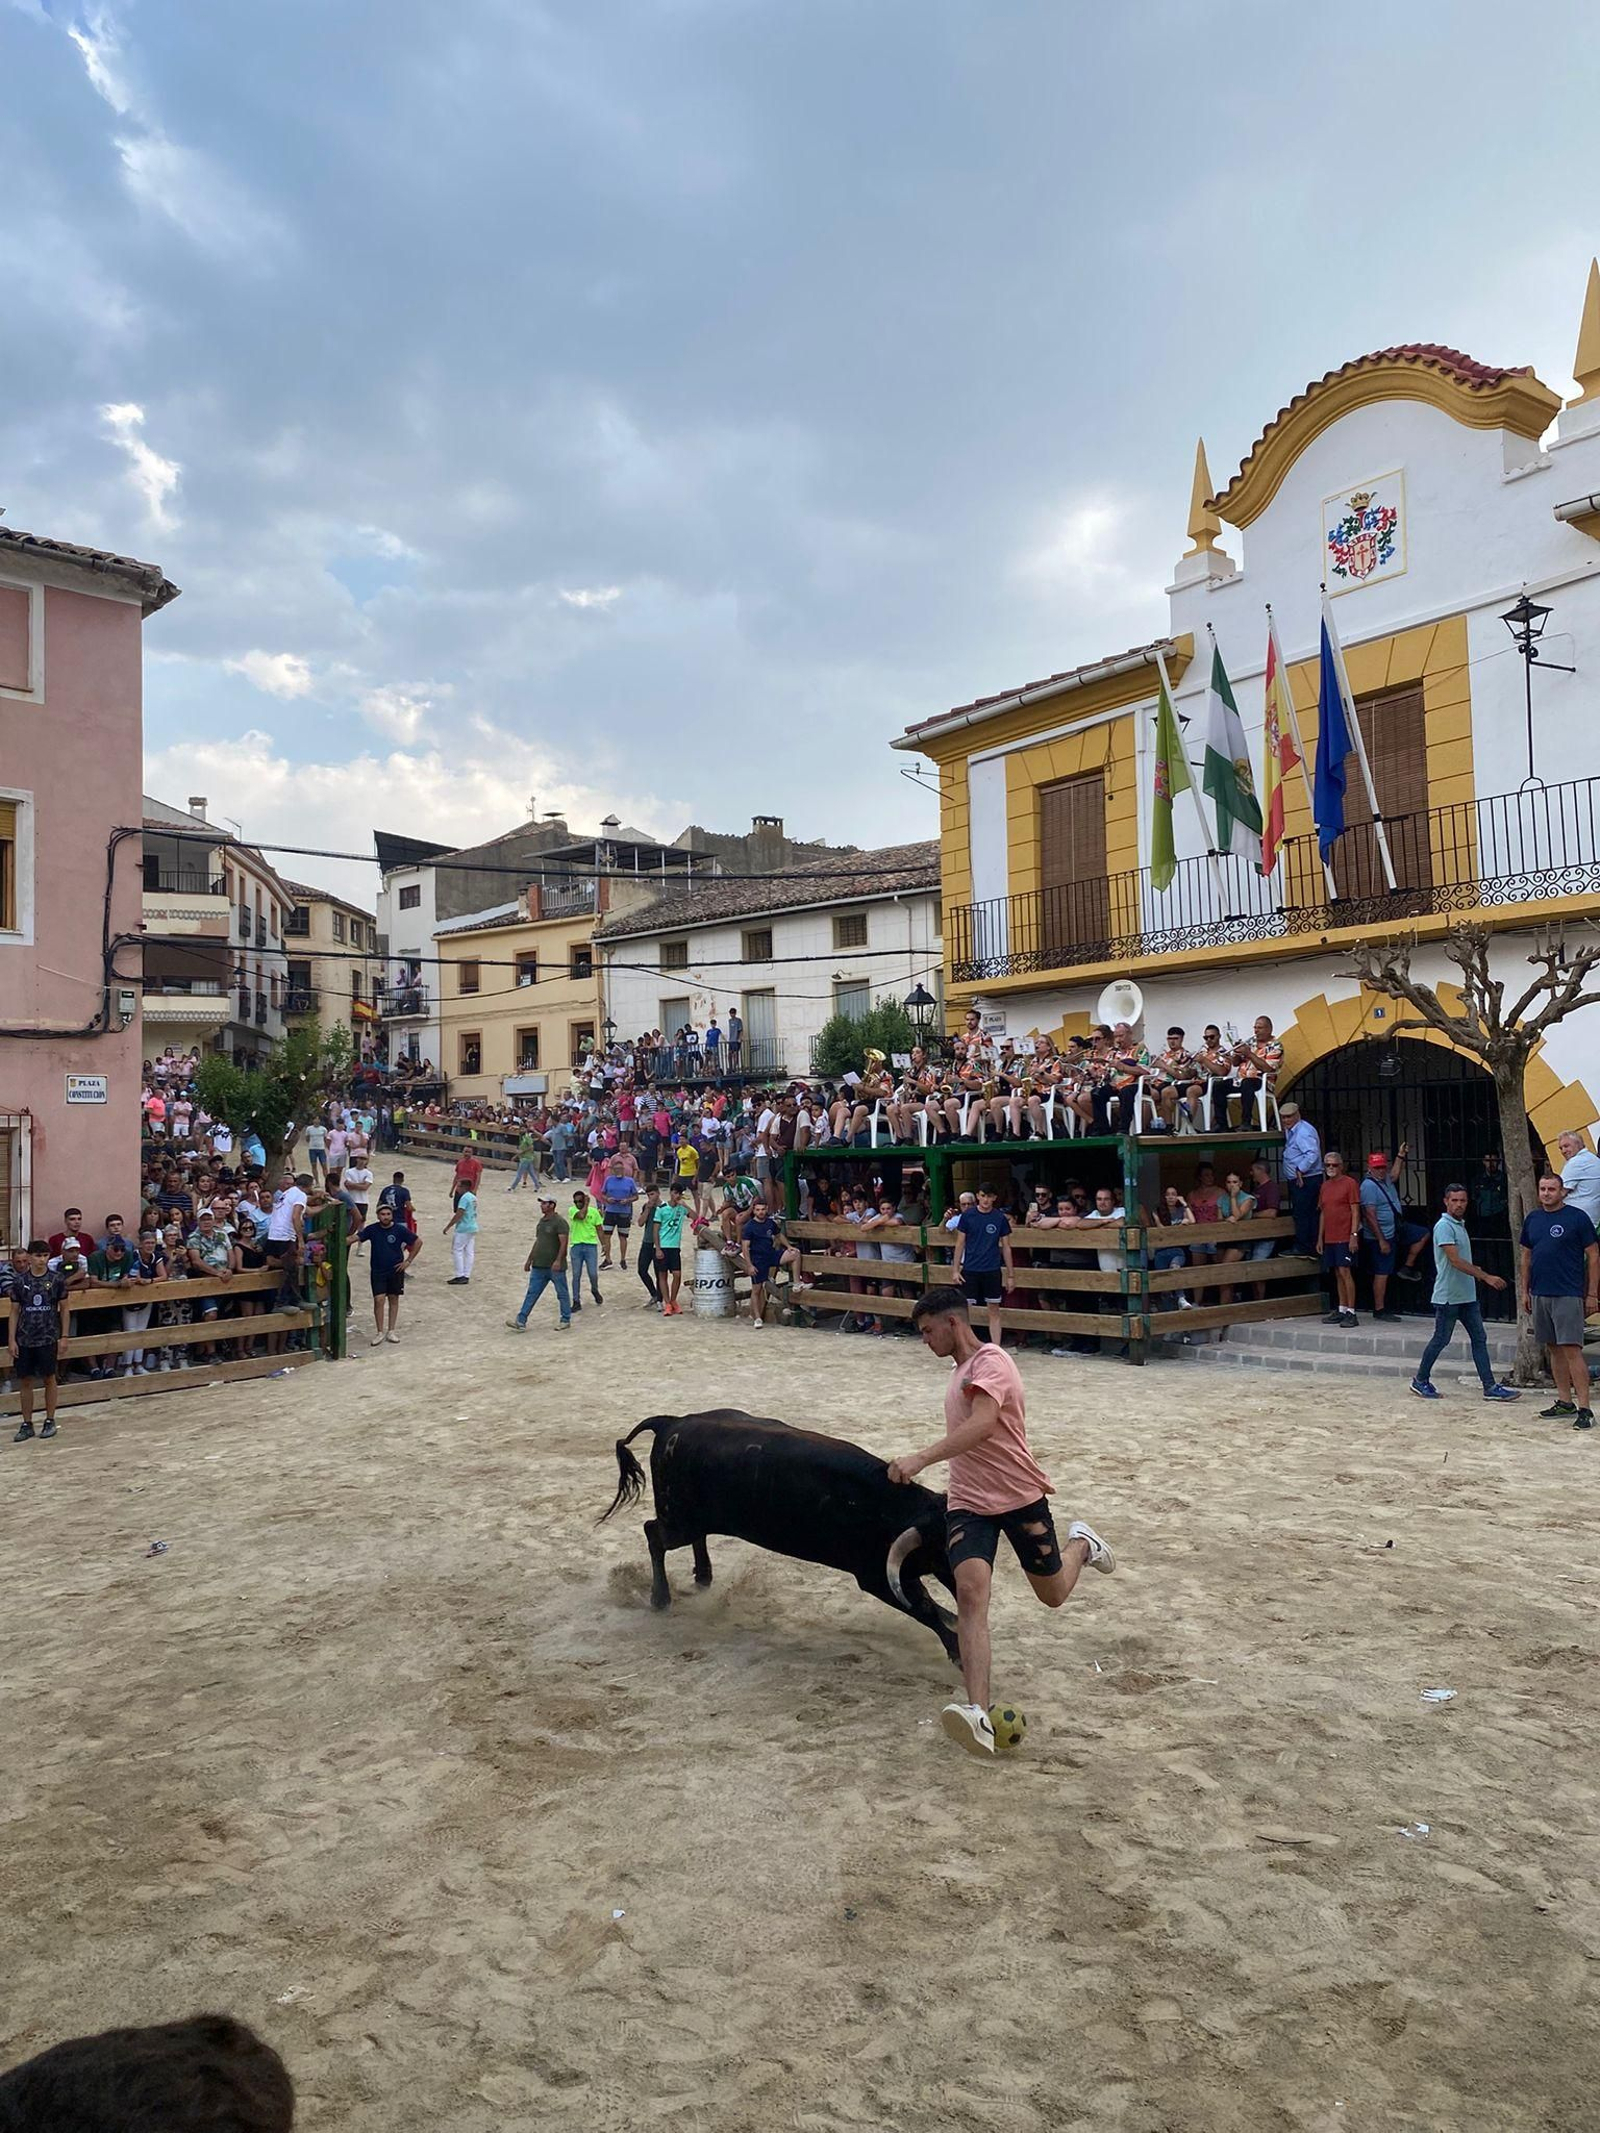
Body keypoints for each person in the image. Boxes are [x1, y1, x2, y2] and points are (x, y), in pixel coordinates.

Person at [887, 1286, 1115, 1757]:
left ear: (953, 1323)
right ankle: (978, 1711)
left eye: (928, 1331)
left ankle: (1083, 1546)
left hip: (1019, 1499)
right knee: (971, 1593)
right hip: (969, 1503)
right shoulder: (958, 1373)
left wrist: (922, 1458)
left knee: (1052, 1594)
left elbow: (985, 1423)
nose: (925, 1341)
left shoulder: (992, 1362)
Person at [1409, 1185, 1521, 1403]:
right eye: (1455, 1200)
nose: (1459, 1204)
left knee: (1479, 1338)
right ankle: (1421, 1379)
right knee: (1441, 1339)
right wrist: (1485, 1276)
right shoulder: (1444, 1226)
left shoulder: (1459, 1225)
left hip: (1467, 1295)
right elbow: (1455, 1260)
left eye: (1463, 1200)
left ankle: (1489, 1386)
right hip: (1449, 1296)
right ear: (1446, 1201)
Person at [1519, 1171, 1599, 1428]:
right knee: (1553, 1348)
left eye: (1551, 1189)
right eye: (1543, 1189)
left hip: (1568, 1293)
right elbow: (1526, 1256)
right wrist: (1524, 1290)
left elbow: (1594, 1256)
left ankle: (1585, 1408)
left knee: (1572, 1349)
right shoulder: (1533, 1218)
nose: (1546, 1193)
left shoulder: (1577, 1218)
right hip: (1541, 1293)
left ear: (1562, 1191)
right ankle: (1565, 1401)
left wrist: (1592, 1293)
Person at [1359, 1147, 1428, 1320]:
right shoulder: (1368, 1186)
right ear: (1370, 1168)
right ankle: (1379, 1309)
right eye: (1377, 1168)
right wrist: (1381, 1240)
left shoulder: (1386, 1180)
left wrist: (1400, 1156)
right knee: (1382, 1272)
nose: (1381, 1170)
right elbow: (1370, 1216)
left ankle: (1407, 1266)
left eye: (1383, 1167)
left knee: (1423, 1234)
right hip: (1380, 1235)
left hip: (1396, 1228)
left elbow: (1395, 1174)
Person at [9, 1241, 68, 1441]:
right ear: (30, 1257)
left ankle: (50, 1419)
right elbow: (14, 1311)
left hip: (48, 1336)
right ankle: (27, 1423)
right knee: (25, 1380)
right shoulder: (20, 1281)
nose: (41, 1259)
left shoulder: (57, 1279)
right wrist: (12, 1339)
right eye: (37, 1255)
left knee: (49, 1377)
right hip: (25, 1338)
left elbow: (65, 1309)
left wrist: (64, 1336)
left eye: (44, 1255)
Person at [950, 1184, 1013, 1347]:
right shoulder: (968, 1216)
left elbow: (1006, 1247)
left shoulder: (999, 1218)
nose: (986, 1200)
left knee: (994, 1310)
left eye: (989, 1196)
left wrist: (1011, 1275)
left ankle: (996, 1350)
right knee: (965, 1311)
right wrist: (955, 1269)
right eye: (983, 1196)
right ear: (978, 1196)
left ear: (994, 1198)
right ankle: (965, 1348)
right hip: (970, 1269)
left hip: (991, 1269)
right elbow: (960, 1243)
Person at [354, 1201, 422, 1343]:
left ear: (392, 1215)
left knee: (393, 1299)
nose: (385, 1217)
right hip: (378, 1270)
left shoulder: (399, 1230)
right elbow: (356, 1238)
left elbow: (417, 1242)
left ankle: (391, 1330)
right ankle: (379, 1332)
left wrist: (408, 1261)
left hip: (395, 1270)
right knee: (378, 1300)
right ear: (378, 1216)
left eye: (388, 1214)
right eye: (383, 1214)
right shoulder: (372, 1229)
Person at [507, 1192, 572, 1331]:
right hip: (539, 1264)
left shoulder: (560, 1222)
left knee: (562, 1293)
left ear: (552, 1205)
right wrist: (530, 1259)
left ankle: (565, 1319)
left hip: (554, 1265)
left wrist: (558, 1260)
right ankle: (521, 1320)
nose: (542, 1206)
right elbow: (539, 1242)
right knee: (532, 1292)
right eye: (541, 1203)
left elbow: (564, 1243)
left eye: (544, 1203)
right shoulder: (542, 1222)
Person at [1317, 1150, 1361, 1328]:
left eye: (1334, 1165)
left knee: (1345, 1272)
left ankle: (1352, 1311)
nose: (1331, 1168)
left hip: (1345, 1234)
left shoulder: (1350, 1183)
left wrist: (1354, 1235)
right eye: (1327, 1165)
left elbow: (1355, 1211)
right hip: (1330, 1236)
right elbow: (1323, 1213)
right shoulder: (1325, 1186)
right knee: (1337, 1272)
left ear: (1341, 1166)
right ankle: (1342, 1309)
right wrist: (1320, 1238)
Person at [1280, 1102, 1323, 1255]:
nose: (1286, 1120)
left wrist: (1300, 1169)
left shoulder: (1303, 1131)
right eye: (1284, 1117)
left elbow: (1312, 1153)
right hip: (1303, 1178)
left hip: (1306, 1179)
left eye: (1289, 1117)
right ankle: (1309, 1247)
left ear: (1297, 1115)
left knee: (1304, 1214)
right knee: (1305, 1213)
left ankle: (1304, 1247)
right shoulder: (1293, 1130)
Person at [567, 1188, 604, 1309]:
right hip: (576, 1245)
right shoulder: (572, 1210)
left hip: (590, 1245)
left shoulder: (594, 1212)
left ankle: (594, 1289)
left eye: (580, 1201)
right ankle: (576, 1300)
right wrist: (586, 1205)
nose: (578, 1204)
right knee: (576, 1275)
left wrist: (604, 1244)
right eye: (576, 1202)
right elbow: (582, 1216)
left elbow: (599, 1229)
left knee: (593, 1273)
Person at [654, 1183, 688, 1314]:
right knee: (662, 1275)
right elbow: (656, 1230)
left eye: (679, 1193)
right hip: (663, 1245)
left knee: (677, 1274)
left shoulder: (681, 1208)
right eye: (674, 1193)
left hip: (675, 1247)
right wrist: (657, 1248)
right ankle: (667, 1302)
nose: (676, 1196)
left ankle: (673, 1300)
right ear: (671, 1193)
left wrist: (686, 1206)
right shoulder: (661, 1208)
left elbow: (697, 1218)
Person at [1555, 1130, 1600, 1230]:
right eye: (1561, 1148)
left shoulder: (1576, 1162)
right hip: (1591, 1219)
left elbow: (1558, 1192)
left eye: (1566, 1146)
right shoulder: (1593, 1159)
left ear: (1579, 1144)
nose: (1563, 1151)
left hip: (1575, 1221)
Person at [600, 1158, 640, 1270]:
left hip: (624, 1212)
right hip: (610, 1211)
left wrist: (627, 1200)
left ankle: (623, 1259)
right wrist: (607, 1199)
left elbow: (636, 1196)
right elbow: (602, 1194)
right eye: (616, 1169)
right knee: (607, 1236)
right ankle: (608, 1259)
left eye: (620, 1169)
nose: (618, 1171)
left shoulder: (629, 1181)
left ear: (623, 1169)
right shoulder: (608, 1180)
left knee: (623, 1237)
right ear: (613, 1170)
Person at [442, 1185, 479, 1284]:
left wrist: (448, 1226)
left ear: (463, 1187)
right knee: (469, 1251)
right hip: (472, 1225)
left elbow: (459, 1214)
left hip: (463, 1227)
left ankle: (459, 1275)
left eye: (458, 1186)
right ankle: (466, 1274)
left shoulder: (464, 1198)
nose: (457, 1188)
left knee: (457, 1250)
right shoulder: (473, 1197)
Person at [507, 1126, 543, 1193]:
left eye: (523, 1129)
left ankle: (512, 1187)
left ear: (526, 1129)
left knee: (519, 1173)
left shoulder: (527, 1137)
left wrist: (521, 1152)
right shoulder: (523, 1137)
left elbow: (531, 1146)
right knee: (532, 1173)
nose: (521, 1130)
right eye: (521, 1129)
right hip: (526, 1157)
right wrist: (516, 1155)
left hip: (526, 1158)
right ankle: (538, 1187)